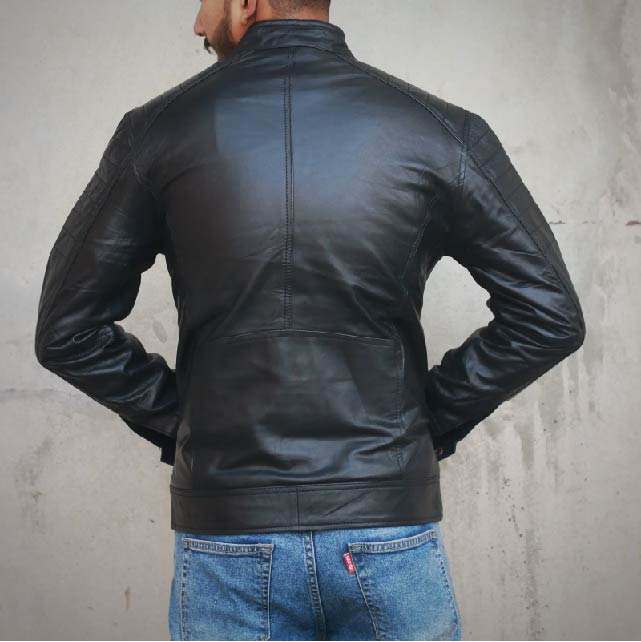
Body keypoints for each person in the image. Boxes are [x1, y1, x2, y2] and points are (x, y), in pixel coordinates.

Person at [34, 0, 586, 639]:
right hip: (386, 528)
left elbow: (67, 330)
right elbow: (548, 314)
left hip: (229, 539)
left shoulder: (155, 132)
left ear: (247, 2)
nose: (197, 23)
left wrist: (188, 426)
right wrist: (418, 425)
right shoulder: (441, 131)